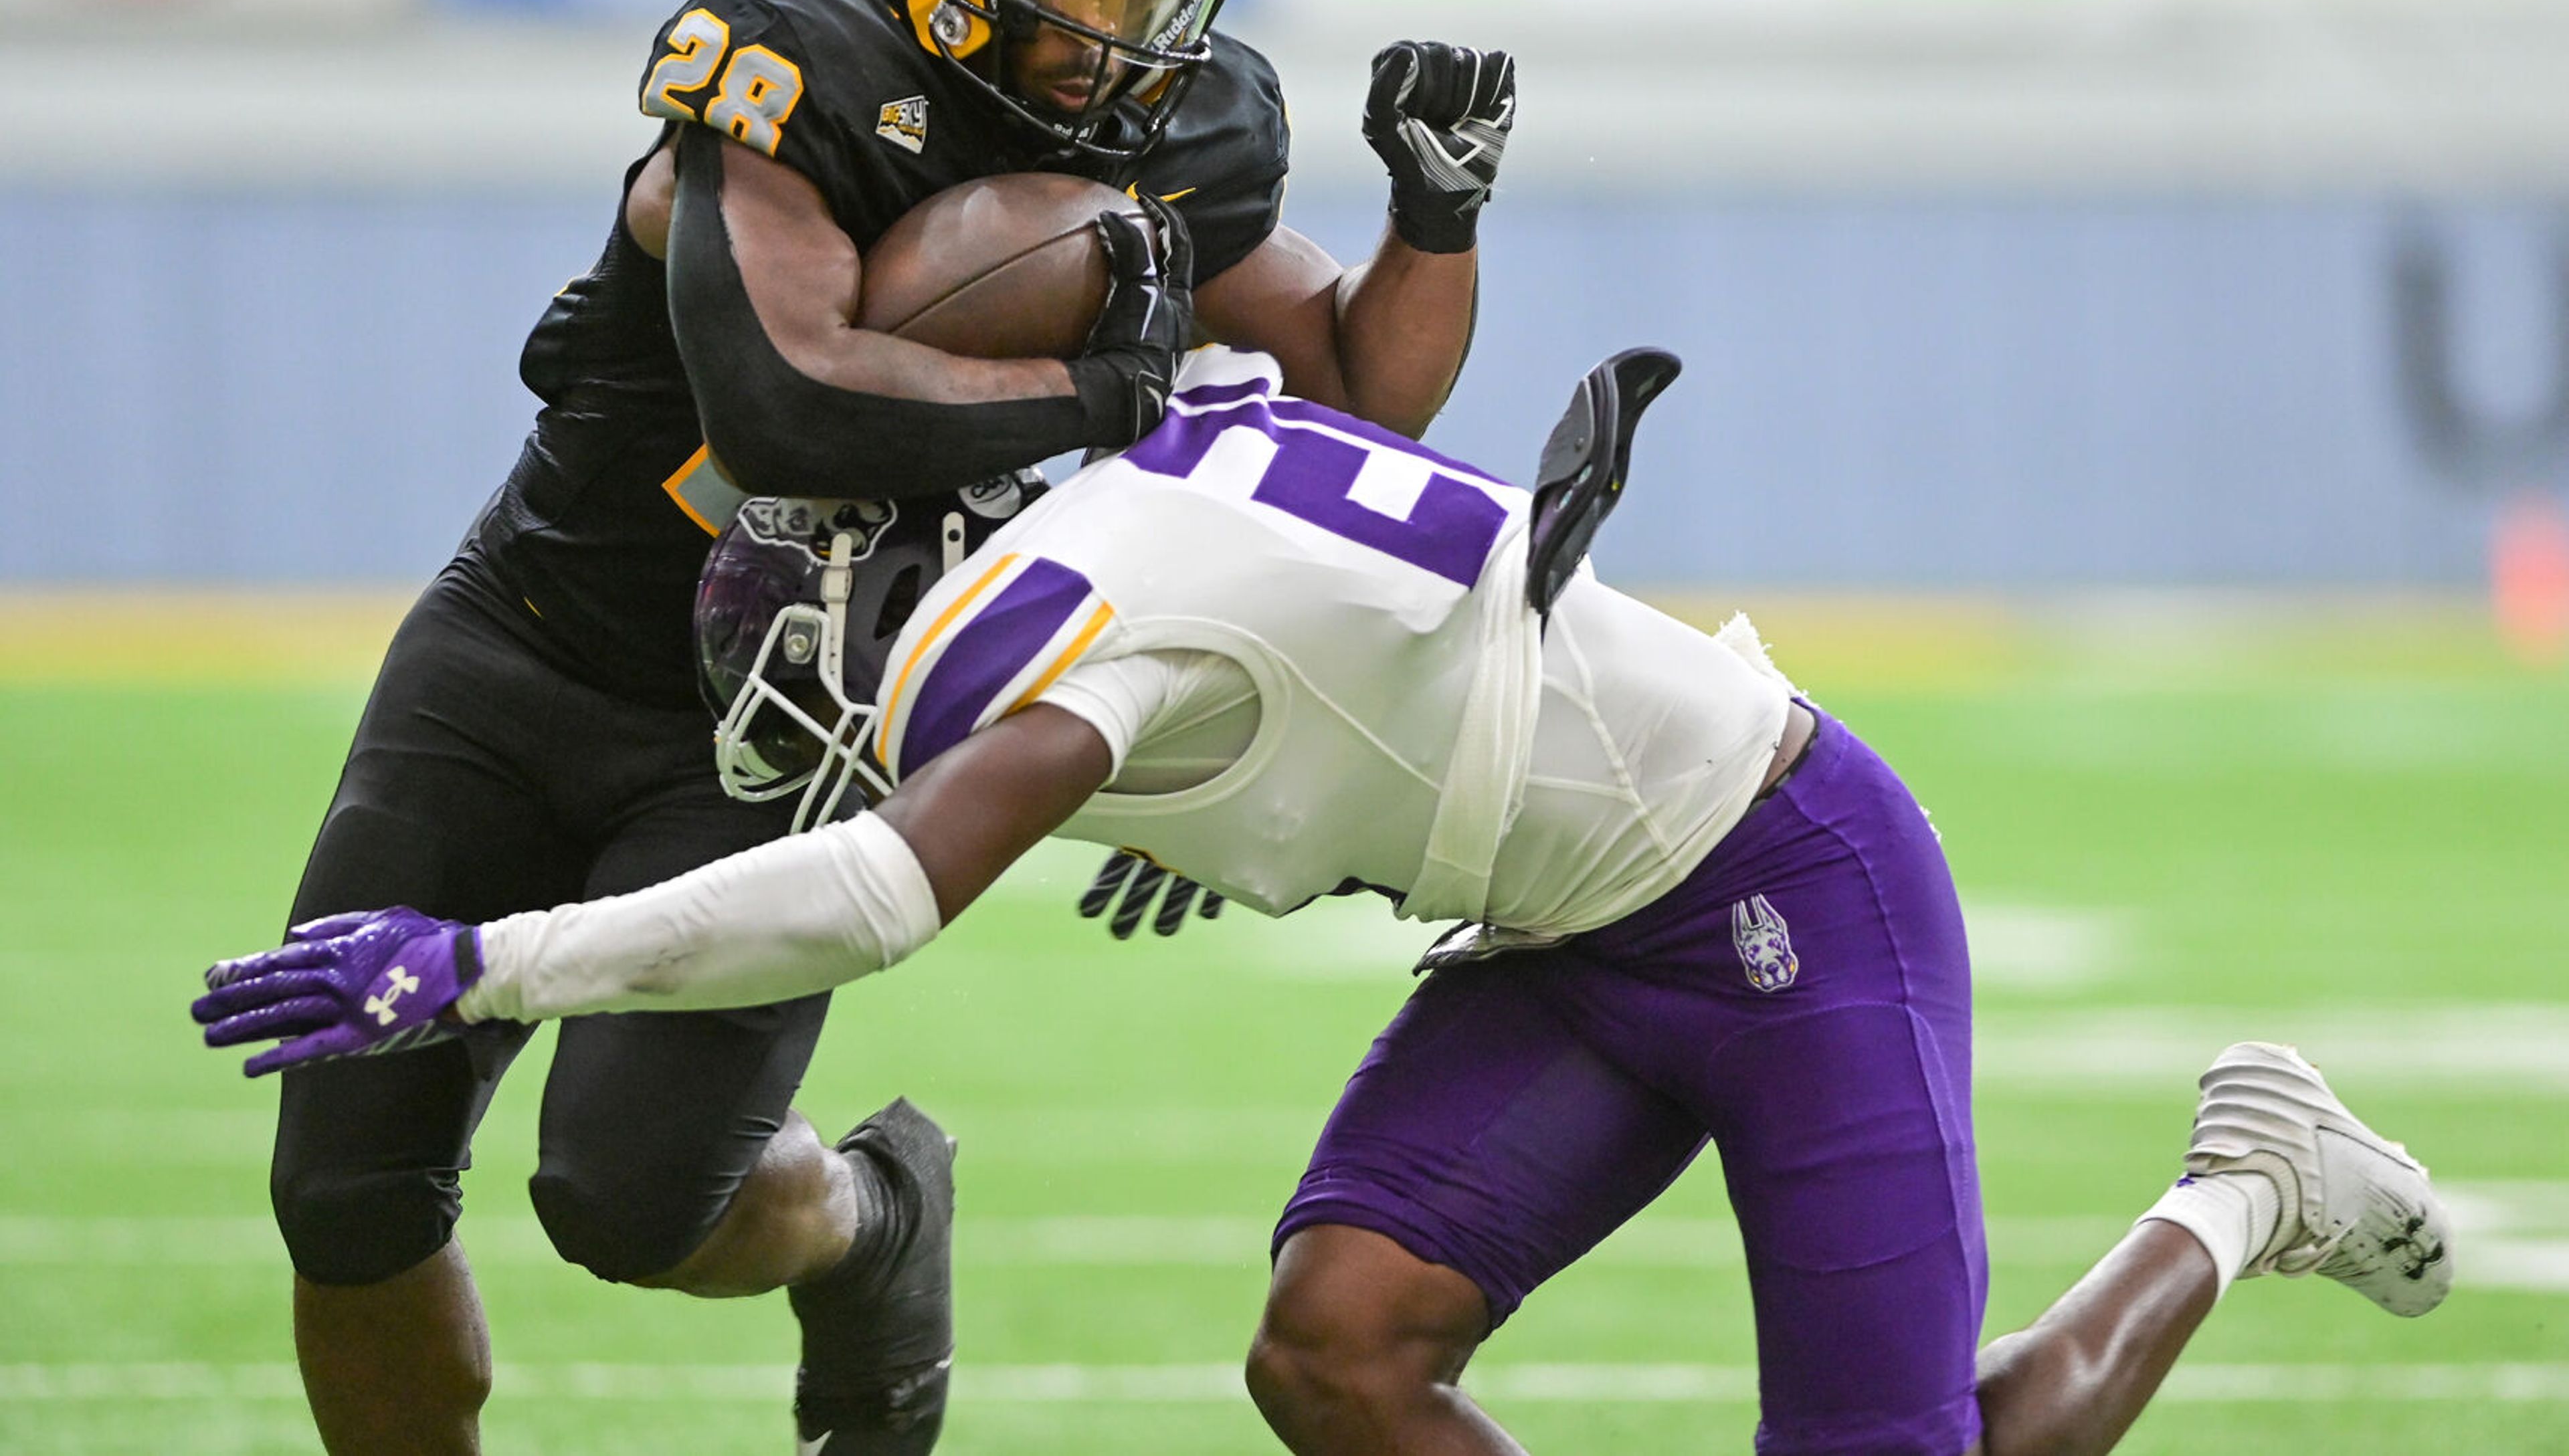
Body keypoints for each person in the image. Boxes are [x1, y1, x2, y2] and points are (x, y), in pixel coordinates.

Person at [197, 346, 2455, 1456]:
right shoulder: (1124, 507)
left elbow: (877, 896)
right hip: (1559, 930)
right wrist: (1236, 783)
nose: (791, 702)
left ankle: (2250, 1183)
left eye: (797, 646)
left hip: (1784, 888)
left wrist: (480, 963)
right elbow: (1269, 455)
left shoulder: (1053, 673)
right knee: (1338, 1351)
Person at [252, 0, 1512, 1456]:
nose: (1114, 39)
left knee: (631, 1200)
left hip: (786, 730)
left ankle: (870, 1220)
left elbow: (1361, 389)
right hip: (523, 649)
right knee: (348, 1188)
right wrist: (1096, 388)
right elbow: (780, 401)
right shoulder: (783, 68)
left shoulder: (1173, 133)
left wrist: (1434, 225)